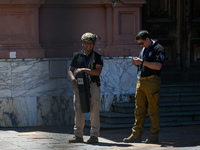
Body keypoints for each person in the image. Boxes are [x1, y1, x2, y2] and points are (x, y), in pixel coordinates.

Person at [123, 30, 165, 144]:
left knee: (153, 109)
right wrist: (136, 62)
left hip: (152, 81)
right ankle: (136, 135)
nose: (140, 45)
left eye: (141, 43)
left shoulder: (158, 48)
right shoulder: (144, 48)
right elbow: (143, 63)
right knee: (139, 109)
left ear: (147, 39)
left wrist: (142, 62)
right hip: (140, 80)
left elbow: (158, 66)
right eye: (139, 44)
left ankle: (153, 136)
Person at [68, 32, 103, 144]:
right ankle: (78, 135)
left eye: (91, 44)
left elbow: (97, 72)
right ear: (82, 43)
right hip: (80, 85)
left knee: (94, 109)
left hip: (93, 84)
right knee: (78, 108)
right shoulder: (77, 56)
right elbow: (70, 70)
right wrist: (73, 79)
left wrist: (84, 70)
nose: (89, 46)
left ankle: (94, 136)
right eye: (87, 43)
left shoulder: (97, 56)